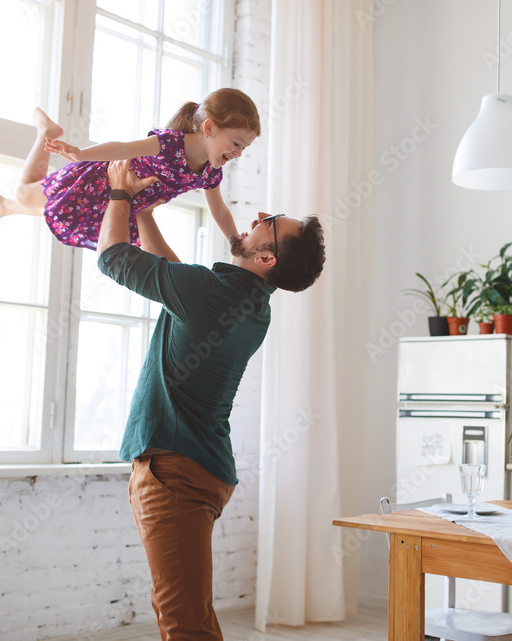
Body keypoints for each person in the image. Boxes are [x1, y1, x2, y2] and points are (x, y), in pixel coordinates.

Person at [96, 159, 325, 641]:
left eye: (269, 223)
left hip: (175, 471)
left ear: (267, 259)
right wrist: (144, 215)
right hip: (196, 467)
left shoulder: (212, 295)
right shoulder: (249, 304)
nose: (260, 216)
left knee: (182, 622)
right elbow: (178, 278)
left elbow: (112, 258)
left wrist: (119, 192)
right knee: (191, 615)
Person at [0, 87, 260, 249]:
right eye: (235, 143)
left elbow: (219, 209)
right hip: (97, 183)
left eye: (243, 148)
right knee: (25, 194)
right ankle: (45, 132)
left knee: (62, 216)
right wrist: (82, 154)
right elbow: (123, 148)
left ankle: (2, 207)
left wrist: (233, 239)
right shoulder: (170, 143)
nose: (237, 153)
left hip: (123, 205)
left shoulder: (211, 173)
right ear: (209, 127)